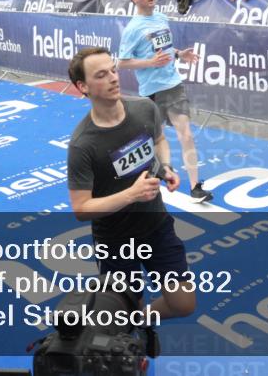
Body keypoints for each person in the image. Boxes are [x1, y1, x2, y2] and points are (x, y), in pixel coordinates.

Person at [66, 47, 196, 359]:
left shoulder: (143, 109)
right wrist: (131, 195)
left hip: (156, 227)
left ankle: (139, 324)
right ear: (83, 87)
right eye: (101, 75)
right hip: (115, 240)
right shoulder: (83, 144)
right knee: (126, 307)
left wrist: (166, 167)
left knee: (182, 303)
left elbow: (159, 141)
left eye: (113, 70)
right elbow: (81, 208)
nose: (113, 78)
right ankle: (132, 344)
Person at [116, 0, 212, 203]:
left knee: (186, 134)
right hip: (151, 91)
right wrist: (150, 63)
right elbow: (122, 62)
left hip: (173, 85)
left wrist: (179, 54)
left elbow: (164, 48)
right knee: (152, 141)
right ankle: (150, 182)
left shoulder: (160, 17)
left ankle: (195, 187)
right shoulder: (132, 28)